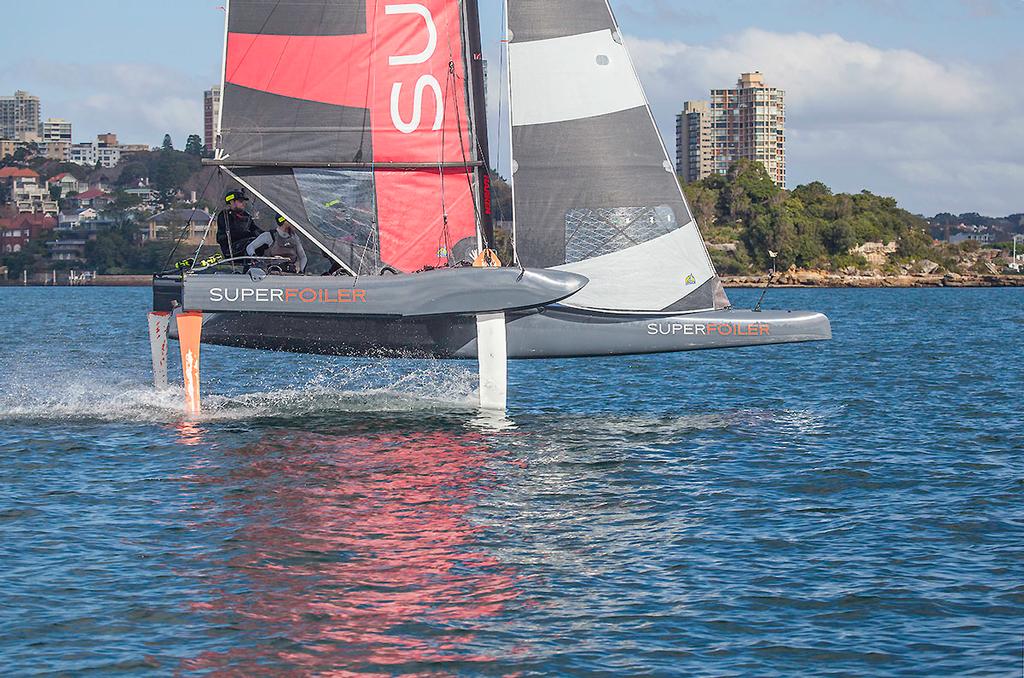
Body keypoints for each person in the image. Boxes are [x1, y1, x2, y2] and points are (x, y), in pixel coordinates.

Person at [216, 188, 262, 262]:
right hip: (232, 251)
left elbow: (255, 229)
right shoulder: (224, 215)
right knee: (251, 243)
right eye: (240, 201)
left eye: (244, 201)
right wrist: (249, 235)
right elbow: (233, 232)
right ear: (231, 202)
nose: (244, 203)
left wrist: (267, 235)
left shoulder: (247, 216)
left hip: (246, 246)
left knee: (262, 243)